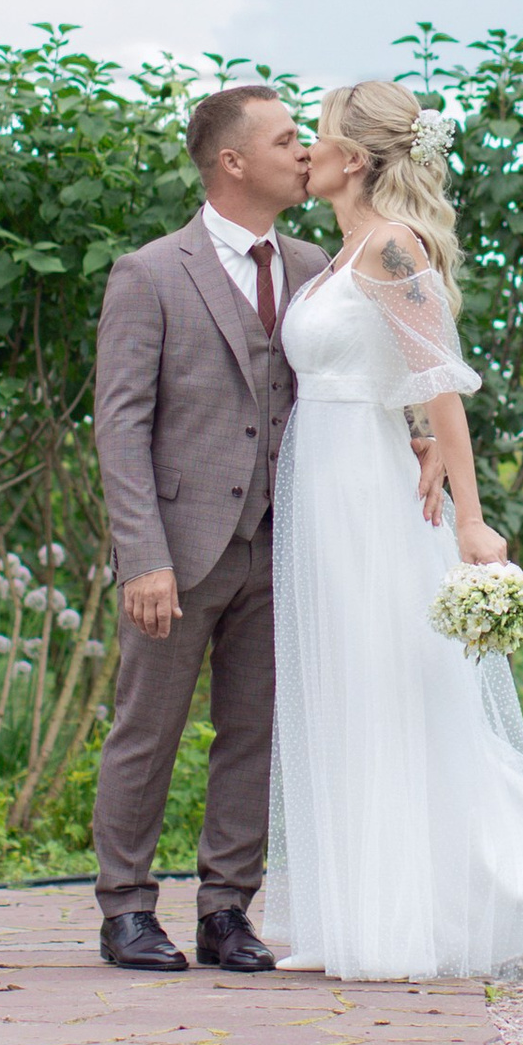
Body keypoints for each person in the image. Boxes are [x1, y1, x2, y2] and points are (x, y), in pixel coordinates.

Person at [267, 79, 523, 981]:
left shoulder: (394, 247)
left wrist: (473, 523)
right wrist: (408, 430)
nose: (305, 152)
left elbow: (442, 383)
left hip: (369, 500)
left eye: (316, 137)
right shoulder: (341, 250)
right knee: (346, 695)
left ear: (355, 158)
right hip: (326, 484)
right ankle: (359, 919)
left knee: (394, 693)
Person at [89, 84, 329, 973]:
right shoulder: (151, 272)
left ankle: (227, 908)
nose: (304, 153)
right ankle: (125, 909)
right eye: (287, 139)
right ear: (232, 162)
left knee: (254, 730)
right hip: (180, 549)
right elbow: (119, 424)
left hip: (282, 541)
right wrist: (141, 556)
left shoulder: (313, 267)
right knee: (146, 729)